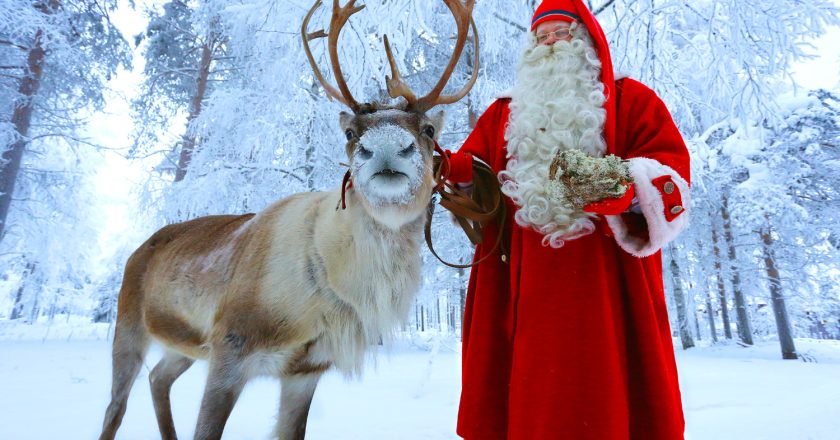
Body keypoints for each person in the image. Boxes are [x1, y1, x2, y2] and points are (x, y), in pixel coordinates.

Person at [446, 0, 690, 439]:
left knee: (604, 393)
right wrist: (458, 176)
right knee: (533, 394)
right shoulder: (504, 114)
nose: (552, 44)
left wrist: (612, 184)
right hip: (524, 290)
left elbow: (673, 181)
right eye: (542, 37)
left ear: (588, 40)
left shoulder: (632, 100)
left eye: (562, 33)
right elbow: (477, 186)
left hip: (606, 289)